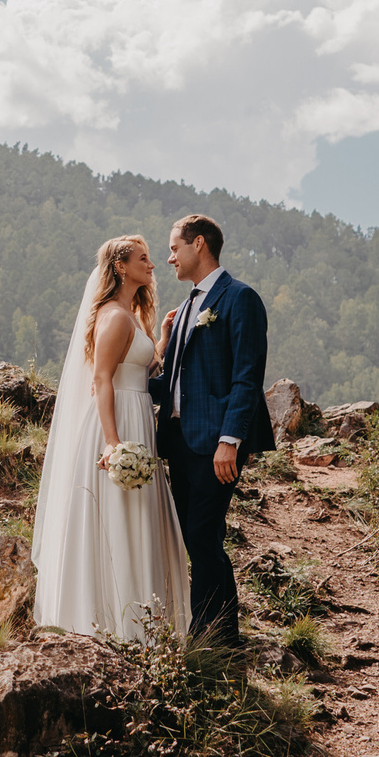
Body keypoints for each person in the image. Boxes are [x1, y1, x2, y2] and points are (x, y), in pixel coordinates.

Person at [31, 235, 195, 640]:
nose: (153, 265)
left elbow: (138, 370)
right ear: (121, 266)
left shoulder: (129, 315)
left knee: (137, 513)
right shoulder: (115, 316)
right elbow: (102, 379)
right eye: (144, 259)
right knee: (119, 514)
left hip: (136, 414)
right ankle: (115, 623)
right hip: (118, 420)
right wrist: (112, 441)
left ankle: (141, 621)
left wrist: (163, 340)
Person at [145, 214, 272, 649]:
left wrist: (229, 441)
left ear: (198, 244)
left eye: (174, 248)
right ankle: (215, 635)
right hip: (178, 442)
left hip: (215, 446)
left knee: (202, 535)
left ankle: (213, 640)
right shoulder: (183, 312)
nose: (169, 258)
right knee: (195, 539)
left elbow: (247, 376)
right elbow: (171, 382)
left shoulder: (240, 298)